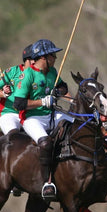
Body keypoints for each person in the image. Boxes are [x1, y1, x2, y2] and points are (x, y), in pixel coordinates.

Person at [13, 39, 73, 200]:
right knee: (46, 142)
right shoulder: (27, 74)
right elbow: (18, 103)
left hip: (51, 114)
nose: (56, 58)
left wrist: (57, 93)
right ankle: (47, 182)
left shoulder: (52, 72)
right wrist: (42, 101)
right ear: (43, 57)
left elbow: (63, 86)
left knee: (77, 125)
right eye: (53, 55)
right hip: (32, 118)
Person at [0, 44, 34, 134]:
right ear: (27, 60)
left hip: (31, 114)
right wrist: (4, 94)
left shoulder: (40, 74)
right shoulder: (12, 72)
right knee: (14, 137)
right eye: (35, 59)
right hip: (10, 113)